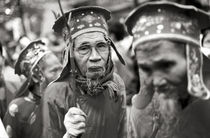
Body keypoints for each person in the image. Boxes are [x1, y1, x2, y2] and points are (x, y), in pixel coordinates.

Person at [125, 1, 210, 138]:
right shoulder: (149, 99)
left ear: (193, 59)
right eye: (146, 68)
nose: (157, 81)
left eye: (166, 65)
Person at [42, 6, 127, 138]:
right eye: (84, 48)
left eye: (101, 46)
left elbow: (122, 133)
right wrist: (68, 136)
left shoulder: (116, 84)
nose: (95, 57)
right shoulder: (55, 93)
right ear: (71, 53)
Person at [3, 40, 62, 138]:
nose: (61, 75)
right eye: (54, 71)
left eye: (61, 69)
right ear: (35, 77)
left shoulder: (64, 100)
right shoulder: (18, 109)